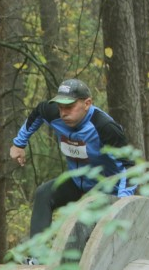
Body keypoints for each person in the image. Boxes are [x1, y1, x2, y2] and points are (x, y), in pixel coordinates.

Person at [10, 78, 137, 240]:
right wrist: (19, 144)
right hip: (77, 181)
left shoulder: (104, 127)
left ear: (87, 103)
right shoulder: (54, 113)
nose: (63, 113)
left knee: (84, 223)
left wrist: (122, 201)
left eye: (69, 107)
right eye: (60, 107)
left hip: (105, 187)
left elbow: (129, 167)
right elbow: (38, 112)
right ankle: (36, 257)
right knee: (44, 194)